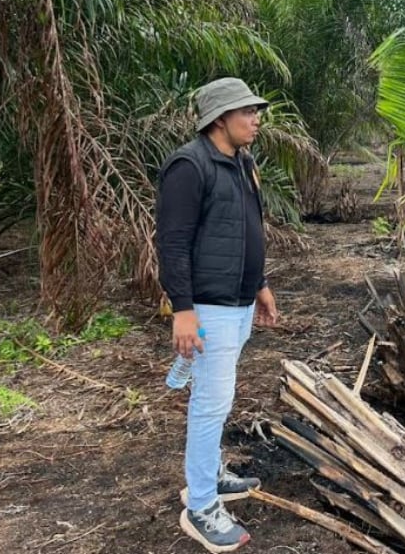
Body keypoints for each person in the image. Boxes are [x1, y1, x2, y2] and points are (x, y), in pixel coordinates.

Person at [156, 77, 279, 553]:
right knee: (210, 403)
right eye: (247, 111)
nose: (256, 119)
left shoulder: (242, 163)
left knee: (218, 398)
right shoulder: (190, 166)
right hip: (209, 306)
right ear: (220, 118)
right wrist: (183, 310)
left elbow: (248, 229)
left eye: (255, 110)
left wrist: (259, 285)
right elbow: (173, 243)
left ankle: (209, 475)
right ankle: (202, 504)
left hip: (239, 300)